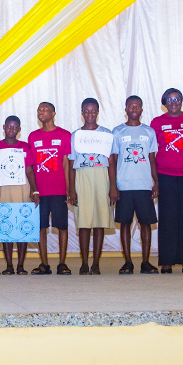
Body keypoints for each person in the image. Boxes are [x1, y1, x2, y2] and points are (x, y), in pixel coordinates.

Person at [150, 88, 183, 273]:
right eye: (170, 99)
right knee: (167, 218)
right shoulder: (157, 122)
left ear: (181, 101)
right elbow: (150, 150)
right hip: (165, 175)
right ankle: (167, 260)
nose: (174, 102)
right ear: (164, 103)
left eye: (177, 99)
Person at [109, 96, 159, 274]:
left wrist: (156, 182)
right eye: (131, 105)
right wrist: (113, 186)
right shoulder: (117, 132)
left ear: (142, 109)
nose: (134, 108)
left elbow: (152, 159)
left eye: (138, 105)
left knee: (146, 223)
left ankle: (146, 261)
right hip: (124, 185)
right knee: (125, 223)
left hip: (144, 184)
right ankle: (128, 262)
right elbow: (113, 160)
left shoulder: (149, 132)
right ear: (126, 108)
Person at [67, 98, 114, 275]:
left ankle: (96, 263)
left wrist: (113, 187)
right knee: (84, 221)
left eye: (93, 111)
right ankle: (84, 262)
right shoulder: (76, 135)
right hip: (82, 176)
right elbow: (71, 162)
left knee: (100, 221)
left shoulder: (106, 134)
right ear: (82, 113)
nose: (90, 115)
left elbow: (111, 161)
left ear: (98, 112)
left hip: (102, 176)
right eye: (86, 111)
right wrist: (72, 188)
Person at [27, 102, 71, 275]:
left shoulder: (64, 135)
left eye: (45, 110)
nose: (41, 112)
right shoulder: (33, 136)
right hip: (40, 191)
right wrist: (33, 188)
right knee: (41, 227)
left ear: (53, 113)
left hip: (59, 189)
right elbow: (30, 166)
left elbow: (66, 163)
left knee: (62, 227)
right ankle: (44, 263)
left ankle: (62, 263)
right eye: (39, 110)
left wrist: (68, 188)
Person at [0, 116, 37, 274]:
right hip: (4, 189)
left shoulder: (25, 147)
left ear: (19, 130)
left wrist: (35, 190)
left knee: (22, 228)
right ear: (4, 127)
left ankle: (20, 265)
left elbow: (29, 170)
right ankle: (9, 265)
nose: (11, 130)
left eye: (15, 127)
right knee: (7, 228)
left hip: (22, 189)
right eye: (9, 127)